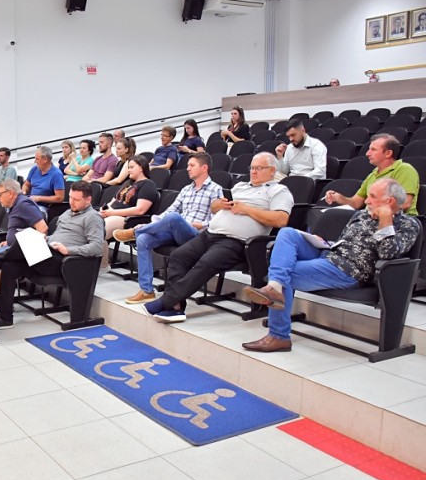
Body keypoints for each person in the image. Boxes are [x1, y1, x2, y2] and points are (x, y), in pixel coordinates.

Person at [243, 178, 420, 353]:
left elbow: (387, 253)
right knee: (288, 233)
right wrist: (327, 243)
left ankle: (278, 335)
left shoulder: (408, 225)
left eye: (372, 196)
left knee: (285, 275)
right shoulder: (362, 214)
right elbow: (348, 242)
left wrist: (385, 220)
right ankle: (274, 286)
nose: (366, 201)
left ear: (389, 201)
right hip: (330, 254)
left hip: (348, 270)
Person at [142, 152, 293, 322]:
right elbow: (214, 208)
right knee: (178, 257)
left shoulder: (279, 190)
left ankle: (166, 301)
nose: (253, 171)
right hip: (210, 234)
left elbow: (281, 220)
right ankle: (176, 307)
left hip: (237, 242)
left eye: (259, 168)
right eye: (252, 167)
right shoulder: (240, 186)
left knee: (205, 263)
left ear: (272, 171)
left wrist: (247, 209)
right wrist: (219, 204)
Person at [0, 181, 104, 331]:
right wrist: (47, 239)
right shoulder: (67, 213)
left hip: (64, 262)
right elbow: (57, 235)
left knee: (25, 238)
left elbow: (97, 248)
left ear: (88, 200)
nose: (71, 202)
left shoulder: (93, 218)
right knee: (10, 267)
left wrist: (69, 250)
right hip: (48, 254)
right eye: (71, 197)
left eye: (76, 200)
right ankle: (5, 317)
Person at [113, 152, 223, 304]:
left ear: (204, 168)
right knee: (144, 239)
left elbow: (217, 220)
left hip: (198, 235)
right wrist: (151, 223)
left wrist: (201, 224)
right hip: (177, 230)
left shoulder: (215, 189)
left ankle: (134, 231)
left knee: (174, 218)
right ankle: (146, 290)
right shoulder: (186, 189)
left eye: (192, 165)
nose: (188, 169)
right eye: (187, 165)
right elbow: (170, 210)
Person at [324, 134, 419, 215]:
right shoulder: (372, 175)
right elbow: (356, 203)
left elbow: (405, 203)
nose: (367, 153)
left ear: (388, 153)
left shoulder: (404, 169)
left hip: (399, 222)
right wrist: (340, 198)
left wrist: (374, 212)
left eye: (373, 150)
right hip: (371, 219)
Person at [100, 156, 158, 240]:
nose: (128, 170)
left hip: (126, 218)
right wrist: (104, 210)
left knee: (97, 233)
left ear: (141, 168)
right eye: (128, 168)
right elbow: (112, 202)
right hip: (112, 213)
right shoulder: (127, 183)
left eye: (131, 167)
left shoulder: (148, 184)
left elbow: (140, 210)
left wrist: (112, 213)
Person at [23, 146, 65, 213]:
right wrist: (24, 191)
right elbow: (26, 185)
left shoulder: (57, 174)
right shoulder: (34, 169)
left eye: (37, 159)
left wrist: (38, 198)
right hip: (30, 203)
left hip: (43, 208)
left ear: (45, 159)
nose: (34, 161)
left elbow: (60, 198)